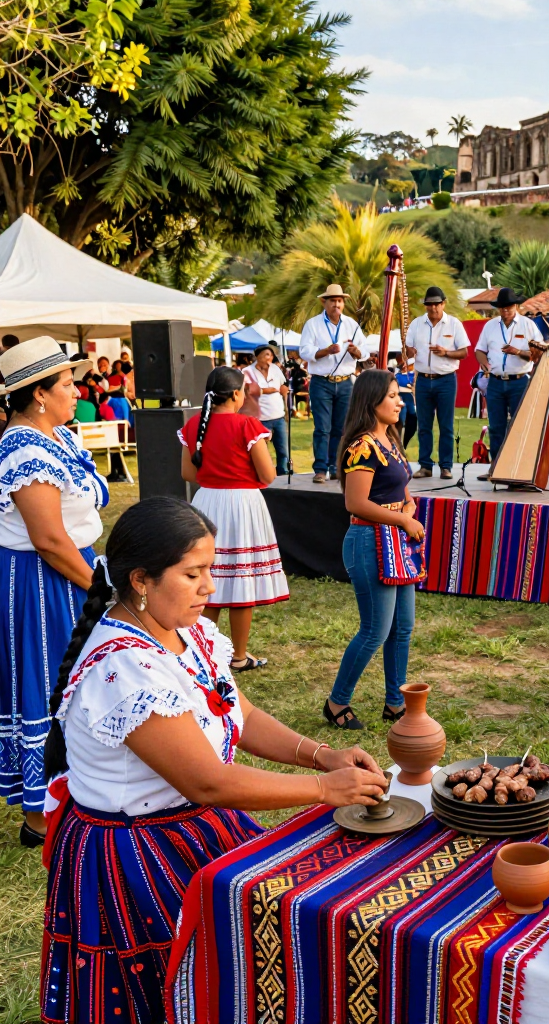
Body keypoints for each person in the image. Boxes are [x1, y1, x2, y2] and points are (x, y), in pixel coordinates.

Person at [41, 497, 388, 1024]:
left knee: (233, 972)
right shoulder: (125, 668)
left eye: (210, 569)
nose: (210, 586)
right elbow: (207, 782)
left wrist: (322, 755)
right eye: (193, 574)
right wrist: (325, 790)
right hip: (137, 855)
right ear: (141, 580)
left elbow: (239, 713)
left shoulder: (188, 631)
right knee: (166, 987)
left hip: (195, 826)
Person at [0, 337, 108, 847]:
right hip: (42, 581)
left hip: (69, 569)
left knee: (75, 682)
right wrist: (101, 590)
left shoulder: (55, 436)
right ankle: (40, 816)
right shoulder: (23, 448)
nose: (77, 391)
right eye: (67, 383)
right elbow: (46, 538)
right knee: (50, 681)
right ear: (39, 394)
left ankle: (70, 792)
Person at [324, 371, 423, 731]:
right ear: (372, 401)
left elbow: (403, 489)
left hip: (396, 541)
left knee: (402, 627)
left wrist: (408, 508)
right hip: (369, 541)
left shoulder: (390, 439)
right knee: (375, 631)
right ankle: (337, 702)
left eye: (399, 395)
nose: (400, 402)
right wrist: (403, 520)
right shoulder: (362, 446)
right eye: (392, 396)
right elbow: (355, 503)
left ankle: (395, 703)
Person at [179, 366, 289, 671]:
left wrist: (215, 476)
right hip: (242, 504)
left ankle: (204, 654)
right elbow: (268, 475)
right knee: (242, 580)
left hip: (206, 502)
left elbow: (187, 472)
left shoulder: (194, 425)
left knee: (208, 577)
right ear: (237, 394)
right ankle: (238, 656)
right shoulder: (248, 425)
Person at [298, 283, 367, 484]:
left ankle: (336, 467)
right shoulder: (313, 324)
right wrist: (326, 351)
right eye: (332, 301)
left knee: (342, 428)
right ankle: (320, 469)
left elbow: (365, 350)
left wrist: (356, 352)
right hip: (321, 382)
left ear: (343, 304)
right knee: (322, 428)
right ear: (324, 302)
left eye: (339, 301)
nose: (336, 304)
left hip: (346, 382)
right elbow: (304, 351)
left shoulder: (352, 325)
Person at [473, 287, 542, 478]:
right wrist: (484, 364)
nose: (505, 311)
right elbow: (479, 350)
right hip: (495, 382)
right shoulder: (490, 326)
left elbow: (539, 353)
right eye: (502, 307)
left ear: (516, 306)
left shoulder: (528, 325)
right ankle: (496, 468)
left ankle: (520, 470)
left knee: (520, 427)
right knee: (496, 427)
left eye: (509, 307)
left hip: (519, 381)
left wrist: (517, 352)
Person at [406, 285, 469, 480]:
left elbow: (464, 352)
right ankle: (425, 465)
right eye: (429, 304)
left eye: (436, 304)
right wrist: (409, 352)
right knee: (424, 425)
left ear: (443, 304)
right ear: (425, 305)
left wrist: (446, 352)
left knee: (446, 426)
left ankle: (445, 466)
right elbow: (407, 349)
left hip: (446, 379)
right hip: (423, 379)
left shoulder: (454, 324)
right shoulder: (417, 324)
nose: (433, 308)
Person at [243, 344, 290, 475]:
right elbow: (246, 391)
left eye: (271, 355)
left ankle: (282, 473)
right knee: (260, 451)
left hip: (278, 416)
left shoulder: (275, 369)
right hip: (260, 418)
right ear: (257, 356)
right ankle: (261, 474)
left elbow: (282, 387)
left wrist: (286, 405)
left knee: (283, 450)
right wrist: (265, 390)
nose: (270, 358)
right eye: (266, 355)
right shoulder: (248, 371)